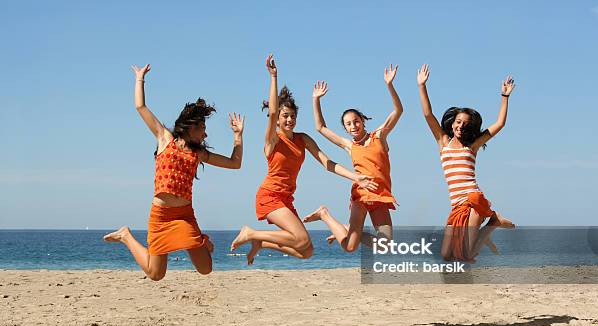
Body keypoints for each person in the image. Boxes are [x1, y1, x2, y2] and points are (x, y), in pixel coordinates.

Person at [230, 55, 377, 264]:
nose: (289, 120)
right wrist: (273, 77)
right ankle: (251, 233)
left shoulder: (303, 139)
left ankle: (262, 242)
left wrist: (356, 177)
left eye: (292, 116)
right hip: (270, 196)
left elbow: (327, 163)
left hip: (286, 198)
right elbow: (272, 112)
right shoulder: (273, 141)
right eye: (285, 116)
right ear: (279, 120)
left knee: (306, 251)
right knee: (300, 238)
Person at [104, 64, 244, 280]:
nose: (205, 135)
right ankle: (126, 236)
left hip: (184, 217)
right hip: (160, 217)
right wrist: (140, 78)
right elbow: (141, 107)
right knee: (155, 274)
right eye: (203, 129)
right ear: (191, 127)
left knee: (206, 268)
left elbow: (235, 163)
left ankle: (200, 239)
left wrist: (238, 137)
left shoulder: (198, 154)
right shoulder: (164, 139)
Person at [416, 63, 515, 262]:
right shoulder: (443, 142)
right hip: (456, 205)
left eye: (466, 124)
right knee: (446, 254)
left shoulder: (472, 145)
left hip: (473, 200)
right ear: (452, 124)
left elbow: (499, 124)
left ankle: (493, 223)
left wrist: (504, 97)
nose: (461, 126)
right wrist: (421, 86)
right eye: (458, 122)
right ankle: (490, 225)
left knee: (466, 254)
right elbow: (428, 114)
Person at [303, 65, 403, 253]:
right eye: (348, 124)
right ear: (346, 128)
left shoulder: (379, 136)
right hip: (361, 194)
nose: (353, 126)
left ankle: (349, 228)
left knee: (386, 245)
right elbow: (320, 127)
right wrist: (315, 99)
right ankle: (325, 215)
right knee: (350, 247)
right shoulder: (349, 146)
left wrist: (390, 85)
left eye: (356, 121)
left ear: (363, 121)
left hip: (381, 195)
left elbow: (398, 110)